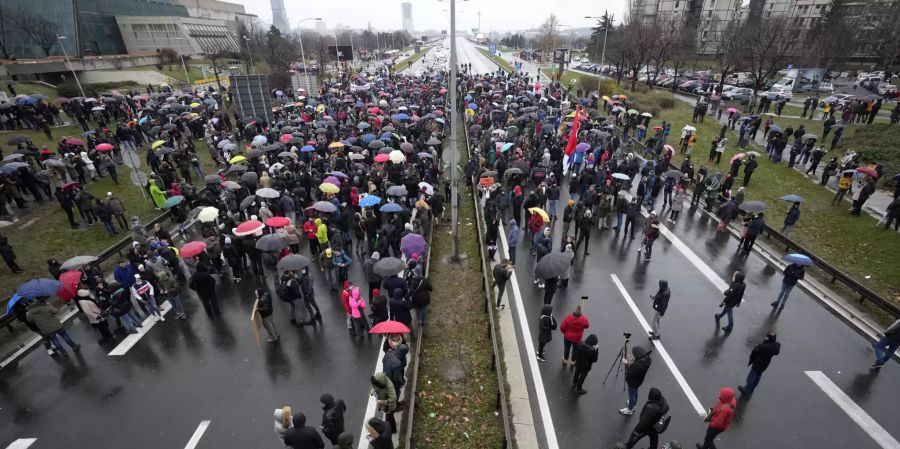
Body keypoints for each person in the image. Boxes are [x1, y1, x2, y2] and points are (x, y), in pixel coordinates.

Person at [620, 346, 652, 415]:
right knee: (635, 392)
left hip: (633, 382)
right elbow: (639, 363)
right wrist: (635, 360)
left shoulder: (637, 366)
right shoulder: (648, 360)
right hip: (639, 380)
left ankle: (630, 409)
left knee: (631, 395)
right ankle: (634, 405)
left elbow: (630, 372)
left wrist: (626, 364)